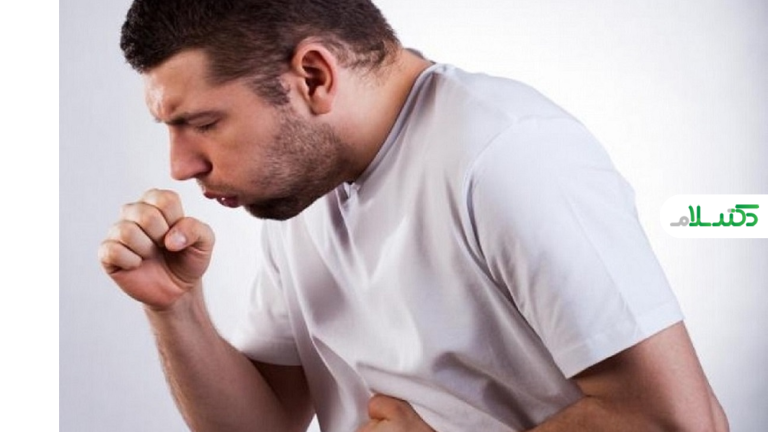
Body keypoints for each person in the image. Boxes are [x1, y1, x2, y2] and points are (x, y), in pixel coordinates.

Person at [98, 0, 729, 431]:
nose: (180, 165)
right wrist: (175, 309)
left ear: (313, 76)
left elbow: (677, 421)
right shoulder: (305, 184)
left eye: (204, 123)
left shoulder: (507, 152)